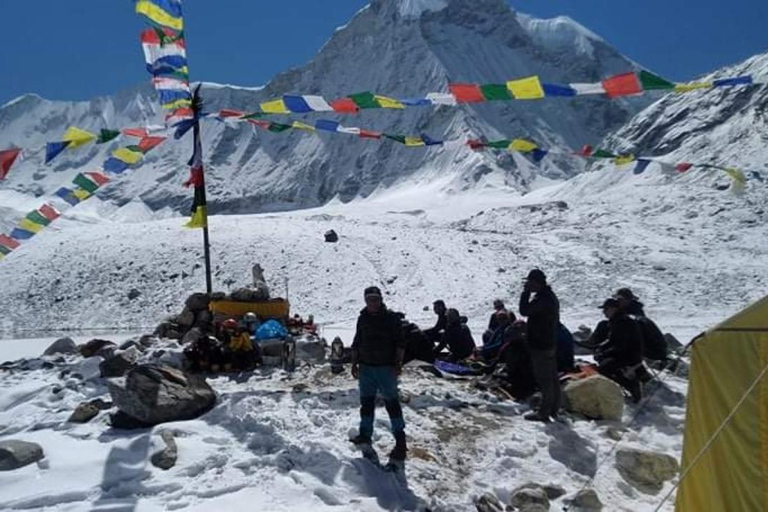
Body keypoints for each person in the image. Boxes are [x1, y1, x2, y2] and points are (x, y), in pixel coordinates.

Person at [350, 286, 408, 462]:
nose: (372, 303)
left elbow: (400, 343)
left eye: (375, 299)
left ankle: (400, 441)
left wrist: (398, 363)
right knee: (366, 404)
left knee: (392, 404)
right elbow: (357, 341)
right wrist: (354, 363)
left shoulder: (391, 318)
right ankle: (365, 435)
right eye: (369, 299)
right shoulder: (363, 319)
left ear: (380, 299)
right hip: (366, 368)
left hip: (386, 368)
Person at [519, 269, 561, 422]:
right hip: (548, 342)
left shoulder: (543, 299)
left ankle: (544, 412)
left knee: (545, 379)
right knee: (552, 378)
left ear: (536, 282)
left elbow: (524, 310)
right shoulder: (548, 297)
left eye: (530, 283)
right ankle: (554, 409)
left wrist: (525, 294)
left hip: (541, 344)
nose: (528, 285)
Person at [594, 298, 644, 402]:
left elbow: (621, 346)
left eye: (606, 309)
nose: (604, 312)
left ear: (614, 309)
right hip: (624, 353)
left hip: (630, 355)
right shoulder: (617, 320)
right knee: (602, 361)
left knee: (604, 369)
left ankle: (631, 386)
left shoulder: (622, 322)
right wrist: (600, 348)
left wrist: (604, 353)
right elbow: (611, 340)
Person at [615, 288, 667, 362]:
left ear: (628, 300)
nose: (617, 302)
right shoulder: (635, 311)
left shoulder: (631, 316)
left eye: (620, 299)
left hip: (650, 352)